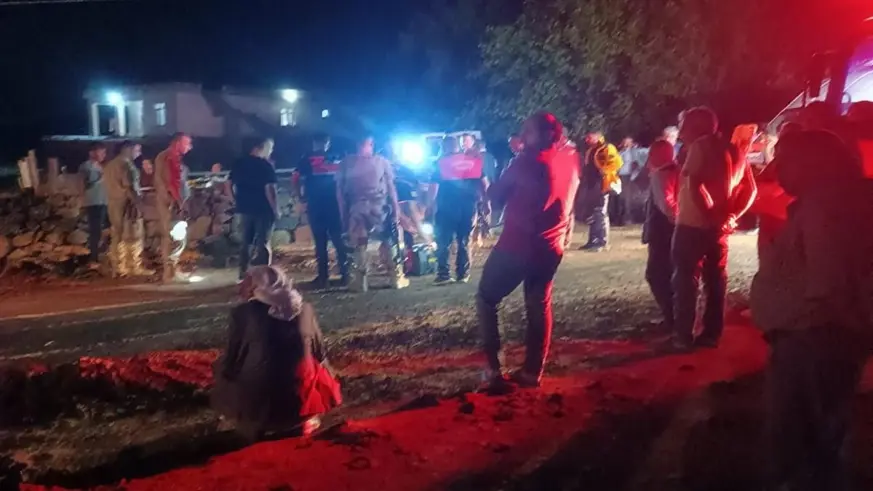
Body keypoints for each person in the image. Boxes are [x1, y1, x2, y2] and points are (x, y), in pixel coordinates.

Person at [750, 130, 873, 491]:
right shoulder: (834, 202)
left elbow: (829, 283)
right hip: (820, 339)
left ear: (812, 163)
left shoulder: (826, 209)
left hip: (813, 342)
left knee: (802, 445)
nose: (778, 168)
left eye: (785, 160)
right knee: (822, 440)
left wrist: (825, 330)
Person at [477, 112, 580, 390]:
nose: (523, 136)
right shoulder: (571, 158)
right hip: (551, 247)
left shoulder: (525, 163)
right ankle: (532, 372)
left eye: (528, 131)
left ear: (545, 134)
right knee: (539, 304)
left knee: (487, 297)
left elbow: (496, 197)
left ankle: (493, 370)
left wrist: (486, 183)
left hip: (518, 246)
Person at [211, 265, 342, 441]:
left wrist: (226, 383)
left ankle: (246, 420)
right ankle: (306, 417)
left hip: (258, 405)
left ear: (259, 285)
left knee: (223, 367)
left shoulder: (243, 313)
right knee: (313, 366)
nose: (241, 286)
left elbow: (232, 359)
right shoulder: (304, 309)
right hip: (299, 405)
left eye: (247, 282)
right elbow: (319, 352)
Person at [672, 107, 757, 349]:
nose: (681, 133)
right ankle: (711, 334)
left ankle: (683, 336)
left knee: (685, 281)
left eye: (684, 127)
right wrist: (731, 216)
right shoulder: (734, 150)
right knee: (716, 280)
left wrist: (709, 214)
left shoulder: (700, 147)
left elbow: (695, 183)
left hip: (693, 225)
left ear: (697, 127)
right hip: (720, 230)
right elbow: (751, 190)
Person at [338, 135, 409, 292]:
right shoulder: (381, 162)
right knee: (389, 239)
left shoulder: (346, 163)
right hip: (378, 207)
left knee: (360, 243)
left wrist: (343, 214)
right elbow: (391, 188)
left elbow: (340, 192)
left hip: (357, 208)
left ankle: (360, 281)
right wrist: (396, 209)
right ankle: (396, 277)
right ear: (371, 144)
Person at [428, 136, 486, 285]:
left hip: (446, 208)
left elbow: (433, 188)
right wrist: (486, 202)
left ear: (445, 147)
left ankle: (443, 274)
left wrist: (428, 206)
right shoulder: (472, 161)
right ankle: (463, 274)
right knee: (464, 240)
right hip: (468, 207)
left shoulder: (441, 163)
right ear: (457, 146)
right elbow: (485, 183)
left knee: (444, 241)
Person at [296, 135, 348, 288]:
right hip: (334, 204)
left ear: (314, 142)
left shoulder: (306, 159)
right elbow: (346, 178)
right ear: (327, 143)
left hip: (316, 204)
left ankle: (323, 277)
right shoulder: (337, 157)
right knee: (339, 241)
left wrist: (301, 197)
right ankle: (346, 274)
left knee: (320, 242)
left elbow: (295, 179)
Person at [230, 138, 280, 281]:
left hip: (244, 208)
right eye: (269, 148)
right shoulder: (265, 165)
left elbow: (228, 183)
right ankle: (265, 276)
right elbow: (269, 189)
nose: (270, 151)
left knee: (246, 242)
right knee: (263, 242)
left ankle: (243, 274)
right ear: (260, 147)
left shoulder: (239, 163)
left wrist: (234, 200)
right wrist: (275, 209)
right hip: (263, 208)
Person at [102, 141, 153, 277]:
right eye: (137, 150)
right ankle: (133, 266)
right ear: (128, 149)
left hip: (113, 202)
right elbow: (130, 188)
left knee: (117, 234)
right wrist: (139, 204)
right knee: (133, 235)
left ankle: (118, 267)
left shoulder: (110, 165)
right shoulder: (126, 165)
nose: (139, 153)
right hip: (127, 205)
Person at [644, 139, 679, 329]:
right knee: (672, 273)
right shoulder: (679, 170)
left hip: (662, 232)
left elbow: (667, 205)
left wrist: (676, 219)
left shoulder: (660, 176)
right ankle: (675, 316)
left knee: (656, 274)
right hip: (676, 231)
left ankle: (671, 317)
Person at [154, 132, 194, 283]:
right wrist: (179, 201)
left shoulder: (168, 157)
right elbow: (171, 182)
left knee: (174, 235)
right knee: (175, 235)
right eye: (187, 143)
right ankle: (170, 272)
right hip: (172, 203)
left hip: (173, 201)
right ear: (178, 143)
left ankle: (171, 270)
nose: (190, 147)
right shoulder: (169, 157)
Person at [579, 132, 622, 251]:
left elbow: (617, 163)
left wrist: (606, 171)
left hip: (602, 184)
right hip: (591, 184)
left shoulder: (607, 148)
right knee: (592, 213)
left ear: (597, 136)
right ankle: (592, 240)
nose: (587, 139)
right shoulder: (591, 149)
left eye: (590, 137)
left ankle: (602, 242)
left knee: (601, 212)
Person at [79, 142, 108, 266]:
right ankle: (93, 258)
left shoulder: (100, 166)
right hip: (93, 202)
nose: (103, 155)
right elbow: (87, 183)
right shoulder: (86, 166)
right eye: (101, 152)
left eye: (104, 152)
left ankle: (100, 255)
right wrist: (101, 178)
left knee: (102, 229)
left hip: (103, 201)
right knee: (95, 230)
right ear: (92, 153)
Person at [615, 136, 642, 226]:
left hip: (628, 176)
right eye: (624, 142)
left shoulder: (633, 152)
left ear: (631, 143)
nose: (626, 144)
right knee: (620, 197)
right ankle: (619, 219)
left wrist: (633, 176)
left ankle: (627, 219)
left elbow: (637, 164)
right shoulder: (620, 152)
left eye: (628, 142)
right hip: (620, 176)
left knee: (627, 198)